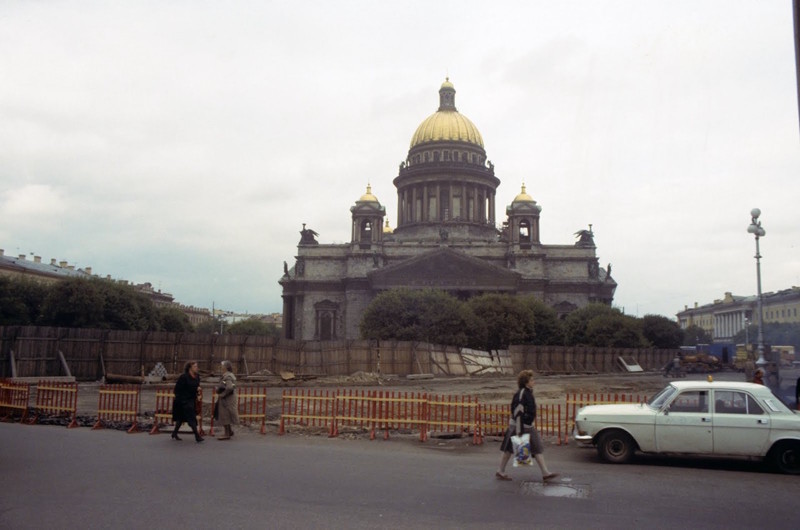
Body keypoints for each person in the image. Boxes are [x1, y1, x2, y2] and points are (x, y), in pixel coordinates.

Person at [496, 369, 558, 482]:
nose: (534, 381)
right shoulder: (522, 393)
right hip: (520, 426)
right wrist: (521, 427)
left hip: (523, 425)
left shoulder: (527, 392)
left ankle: (500, 470)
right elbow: (517, 411)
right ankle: (545, 473)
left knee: (511, 448)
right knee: (535, 447)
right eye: (532, 380)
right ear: (526, 382)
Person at [172, 361, 203, 442]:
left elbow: (196, 386)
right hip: (183, 400)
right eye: (195, 366)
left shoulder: (197, 377)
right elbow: (177, 389)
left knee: (181, 418)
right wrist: (194, 389)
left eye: (197, 366)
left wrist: (198, 391)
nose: (197, 368)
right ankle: (197, 436)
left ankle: (174, 433)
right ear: (190, 368)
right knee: (191, 417)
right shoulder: (184, 377)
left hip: (191, 400)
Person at [216, 360, 239, 440]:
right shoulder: (229, 375)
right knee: (226, 415)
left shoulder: (227, 376)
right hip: (229, 398)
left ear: (225, 367)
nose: (221, 367)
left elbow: (229, 387)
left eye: (222, 366)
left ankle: (226, 434)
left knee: (225, 415)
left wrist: (222, 394)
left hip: (227, 399)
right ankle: (229, 431)